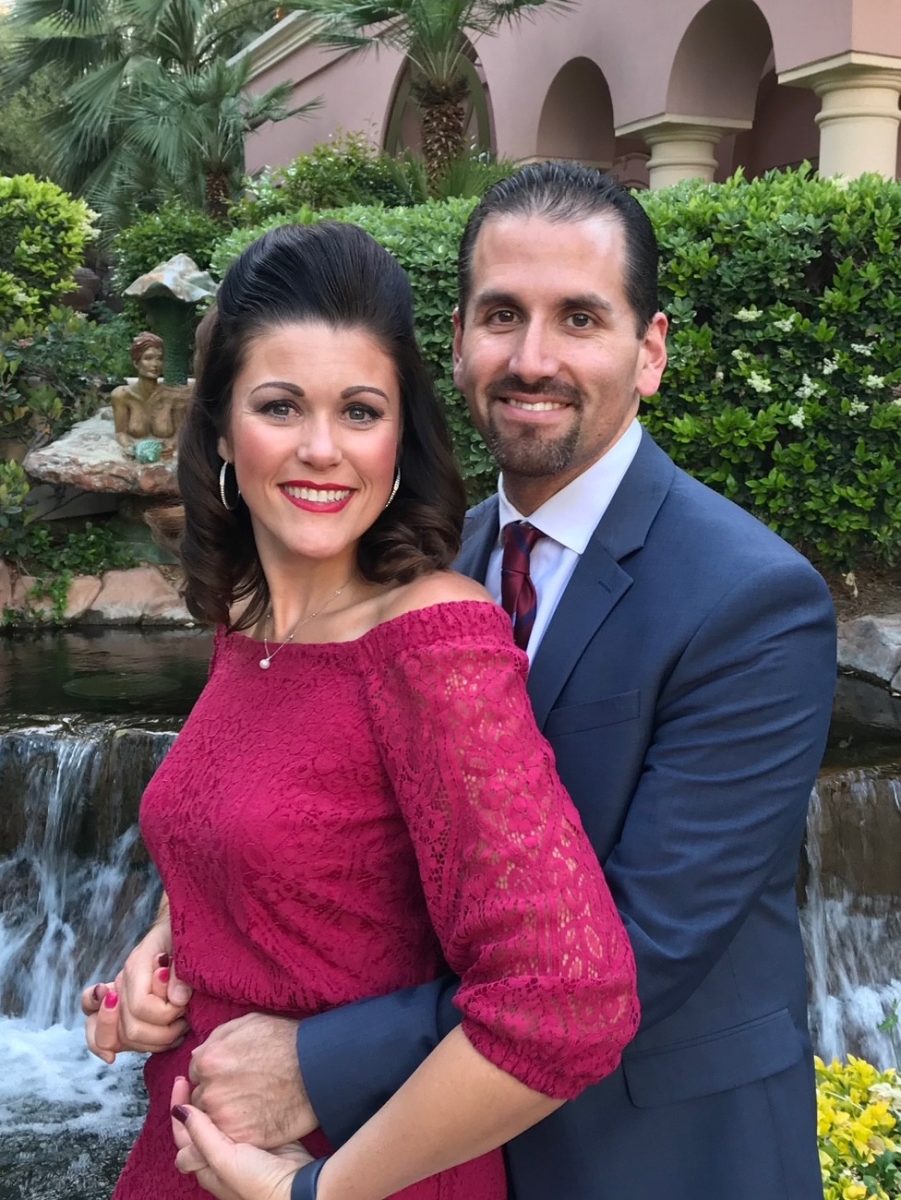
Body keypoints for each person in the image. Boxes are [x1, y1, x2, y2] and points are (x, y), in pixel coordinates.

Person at [88, 163, 837, 1200]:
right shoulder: (406, 558)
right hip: (409, 1136)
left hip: (644, 1157)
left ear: (649, 350)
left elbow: (628, 951)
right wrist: (174, 941)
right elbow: (330, 818)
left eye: (579, 317)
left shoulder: (752, 601)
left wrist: (315, 1062)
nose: (533, 358)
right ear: (454, 341)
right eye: (501, 315)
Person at [85, 217, 639, 1199]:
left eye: (359, 411)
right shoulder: (245, 614)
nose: (320, 449)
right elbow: (277, 843)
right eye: (280, 405)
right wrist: (154, 962)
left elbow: (571, 1000)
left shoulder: (431, 644)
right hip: (190, 1142)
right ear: (219, 427)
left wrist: (316, 1192)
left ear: (399, 436)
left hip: (353, 1165)